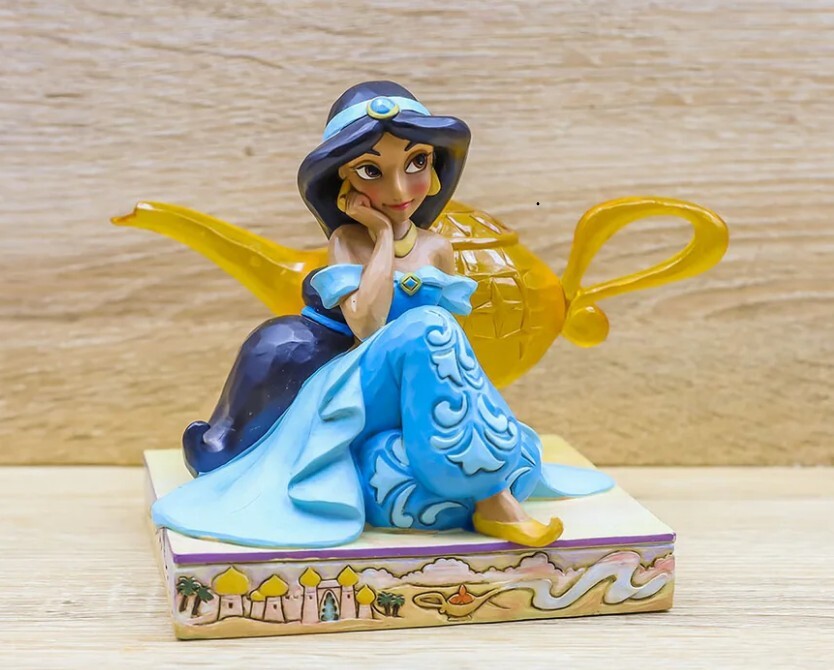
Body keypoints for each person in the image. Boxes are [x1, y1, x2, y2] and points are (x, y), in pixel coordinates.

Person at [152, 81, 613, 549]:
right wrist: (383, 238)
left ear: (436, 171)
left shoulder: (437, 248)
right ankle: (491, 498)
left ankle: (476, 475)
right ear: (344, 184)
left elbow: (452, 346)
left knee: (437, 333)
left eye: (416, 163)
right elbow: (368, 325)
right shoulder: (348, 243)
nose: (398, 189)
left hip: (416, 389)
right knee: (429, 325)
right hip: (360, 380)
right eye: (372, 171)